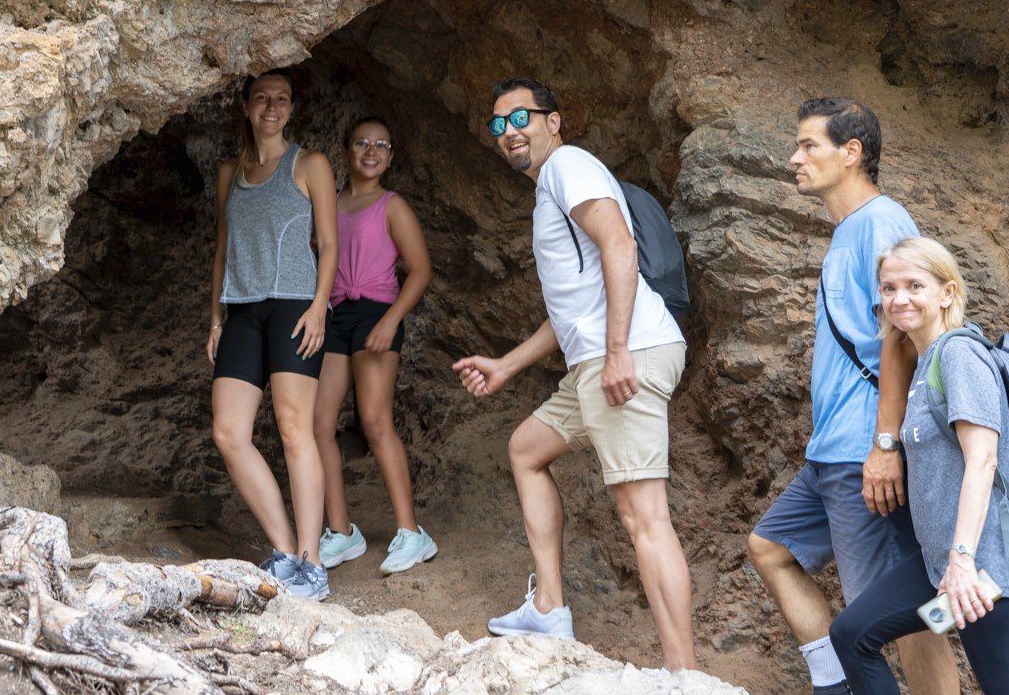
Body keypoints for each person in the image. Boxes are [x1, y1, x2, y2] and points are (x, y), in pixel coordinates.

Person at [453, 78, 695, 670]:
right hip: (598, 355)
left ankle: (686, 675)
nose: (508, 132)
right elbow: (571, 310)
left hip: (628, 351)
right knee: (526, 449)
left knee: (644, 517)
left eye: (520, 119)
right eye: (497, 124)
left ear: (553, 122)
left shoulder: (569, 167)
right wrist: (506, 365)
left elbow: (618, 246)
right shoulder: (549, 191)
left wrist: (616, 352)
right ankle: (550, 609)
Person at [745, 98, 958, 695]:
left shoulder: (882, 223)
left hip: (865, 453)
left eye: (808, 145)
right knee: (769, 547)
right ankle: (834, 684)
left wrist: (886, 445)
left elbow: (905, 339)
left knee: (906, 614)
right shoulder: (851, 230)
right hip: (832, 451)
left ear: (851, 153)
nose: (795, 158)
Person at [829, 236, 1009, 693]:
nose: (899, 298)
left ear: (947, 293)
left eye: (914, 285)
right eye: (888, 288)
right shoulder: (925, 363)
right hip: (939, 566)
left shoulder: (959, 354)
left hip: (985, 569)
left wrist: (963, 561)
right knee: (852, 634)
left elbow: (983, 460)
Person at [206, 70, 338, 600]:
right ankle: (285, 553)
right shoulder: (229, 173)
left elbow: (328, 244)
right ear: (246, 105)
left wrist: (320, 308)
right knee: (228, 432)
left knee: (292, 429)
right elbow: (222, 247)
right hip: (240, 309)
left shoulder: (310, 164)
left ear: (290, 109)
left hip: (293, 307)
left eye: (281, 99)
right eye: (262, 98)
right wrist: (214, 317)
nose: (271, 107)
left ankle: (313, 562)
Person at [312, 116, 437, 575]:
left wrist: (390, 321)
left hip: (375, 314)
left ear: (390, 155)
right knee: (318, 424)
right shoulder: (331, 204)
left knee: (374, 421)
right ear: (347, 149)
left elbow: (421, 270)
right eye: (362, 143)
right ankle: (342, 533)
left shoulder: (391, 205)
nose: (371, 151)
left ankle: (412, 533)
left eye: (381, 145)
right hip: (336, 316)